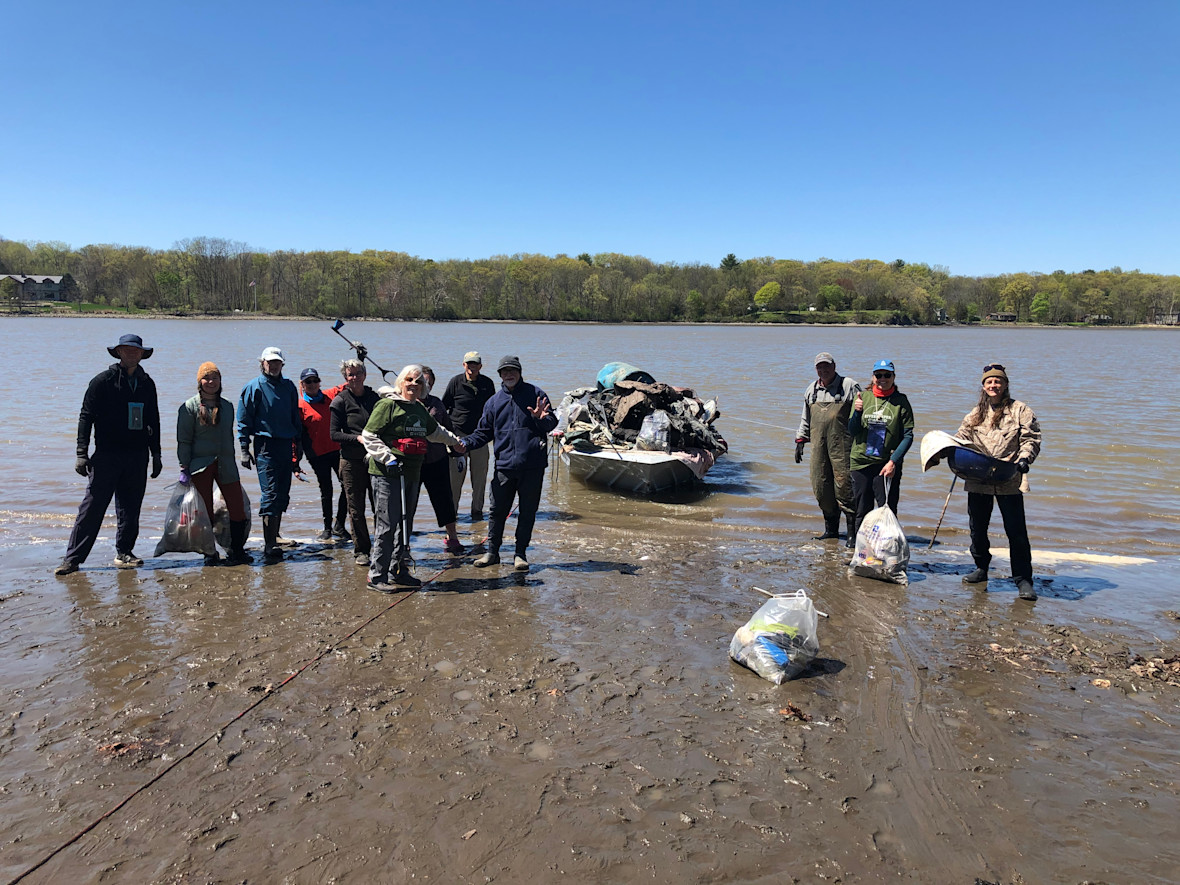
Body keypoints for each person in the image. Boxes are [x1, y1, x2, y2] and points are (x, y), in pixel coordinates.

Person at [56, 333, 163, 574]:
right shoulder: (102, 381)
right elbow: (86, 417)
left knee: (130, 508)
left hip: (137, 455)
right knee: (92, 508)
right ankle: (72, 559)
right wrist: (81, 453)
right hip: (106, 455)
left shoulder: (147, 383)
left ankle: (124, 552)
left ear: (142, 354)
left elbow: (153, 420)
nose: (132, 353)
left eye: (136, 350)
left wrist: (156, 454)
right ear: (119, 352)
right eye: (127, 350)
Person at [361, 365, 464, 591]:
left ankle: (399, 571)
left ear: (424, 387)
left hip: (412, 473)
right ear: (400, 382)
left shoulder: (419, 409)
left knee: (405, 524)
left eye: (418, 382)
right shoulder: (387, 405)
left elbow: (435, 432)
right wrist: (387, 457)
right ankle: (377, 576)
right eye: (409, 380)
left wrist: (455, 442)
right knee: (387, 525)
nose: (413, 385)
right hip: (387, 474)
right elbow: (369, 435)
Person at [460, 355, 557, 573]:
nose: (509, 375)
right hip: (504, 466)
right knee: (496, 511)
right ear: (500, 376)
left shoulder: (536, 394)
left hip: (532, 466)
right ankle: (492, 552)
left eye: (512, 371)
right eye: (504, 372)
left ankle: (520, 553)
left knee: (527, 511)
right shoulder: (494, 402)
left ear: (520, 372)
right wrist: (463, 443)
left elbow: (551, 424)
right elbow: (482, 433)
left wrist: (540, 419)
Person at [956, 363, 1042, 601]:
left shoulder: (1020, 410)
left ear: (1005, 384)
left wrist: (1025, 459)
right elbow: (960, 438)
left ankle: (1023, 580)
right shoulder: (975, 414)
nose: (993, 385)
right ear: (983, 387)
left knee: (1016, 532)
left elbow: (1031, 439)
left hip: (1009, 477)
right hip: (978, 478)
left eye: (998, 381)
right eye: (989, 382)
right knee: (977, 528)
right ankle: (981, 568)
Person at [177, 362, 250, 565]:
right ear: (199, 382)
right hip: (200, 464)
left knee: (237, 508)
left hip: (226, 462)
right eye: (206, 378)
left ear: (220, 381)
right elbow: (184, 439)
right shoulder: (189, 407)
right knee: (205, 512)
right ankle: (209, 553)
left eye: (215, 378)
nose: (211, 382)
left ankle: (237, 550)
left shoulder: (227, 406)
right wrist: (184, 467)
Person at [238, 346, 304, 563]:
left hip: (286, 444)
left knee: (283, 494)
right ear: (262, 363)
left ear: (282, 364)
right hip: (265, 446)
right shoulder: (253, 387)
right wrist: (245, 449)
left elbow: (295, 417)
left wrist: (298, 444)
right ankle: (269, 544)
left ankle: (275, 535)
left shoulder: (289, 387)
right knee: (270, 494)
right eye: (269, 362)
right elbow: (244, 420)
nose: (273, 365)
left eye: (277, 362)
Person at [847, 358, 915, 547]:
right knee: (862, 510)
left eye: (887, 375)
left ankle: (885, 549)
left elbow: (908, 436)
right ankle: (862, 551)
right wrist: (858, 412)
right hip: (861, 462)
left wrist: (894, 461)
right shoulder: (863, 397)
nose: (882, 379)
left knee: (887, 510)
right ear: (873, 377)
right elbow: (852, 431)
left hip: (886, 465)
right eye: (878, 375)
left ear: (893, 377)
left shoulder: (901, 402)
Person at [794, 352, 861, 541]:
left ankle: (852, 536)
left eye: (826, 366)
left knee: (845, 487)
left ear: (834, 366)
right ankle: (831, 532)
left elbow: (863, 414)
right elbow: (805, 418)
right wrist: (800, 441)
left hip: (844, 447)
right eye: (819, 367)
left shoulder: (848, 386)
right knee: (821, 486)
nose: (823, 370)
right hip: (818, 447)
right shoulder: (811, 390)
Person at [330, 358, 381, 568]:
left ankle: (381, 546)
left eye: (358, 373)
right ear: (345, 378)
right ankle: (361, 550)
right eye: (350, 374)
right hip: (351, 461)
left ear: (365, 374)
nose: (355, 378)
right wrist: (357, 438)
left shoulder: (374, 398)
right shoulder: (340, 401)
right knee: (356, 508)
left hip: (376, 458)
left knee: (380, 506)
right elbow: (333, 434)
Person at [297, 367, 350, 542]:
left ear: (319, 382)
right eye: (308, 382)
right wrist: (295, 462)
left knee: (347, 487)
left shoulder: (331, 395)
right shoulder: (299, 406)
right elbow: (296, 437)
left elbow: (350, 382)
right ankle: (327, 528)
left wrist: (360, 359)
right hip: (317, 455)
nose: (312, 385)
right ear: (302, 385)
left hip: (338, 450)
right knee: (326, 490)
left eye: (315, 381)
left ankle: (340, 525)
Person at [443, 351, 496, 520]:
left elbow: (493, 410)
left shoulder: (487, 383)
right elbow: (444, 407)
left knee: (480, 479)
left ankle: (477, 513)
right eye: (469, 364)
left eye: (475, 364)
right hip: (457, 437)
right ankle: (452, 515)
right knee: (454, 481)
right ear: (464, 365)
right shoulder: (455, 382)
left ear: (480, 366)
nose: (472, 367)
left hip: (480, 438)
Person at [420, 367, 466, 554]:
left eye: (428, 382)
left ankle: (452, 538)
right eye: (421, 381)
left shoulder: (436, 404)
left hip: (437, 459)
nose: (424, 385)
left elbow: (448, 430)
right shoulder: (403, 404)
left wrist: (458, 453)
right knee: (407, 504)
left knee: (445, 501)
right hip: (412, 463)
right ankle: (403, 543)